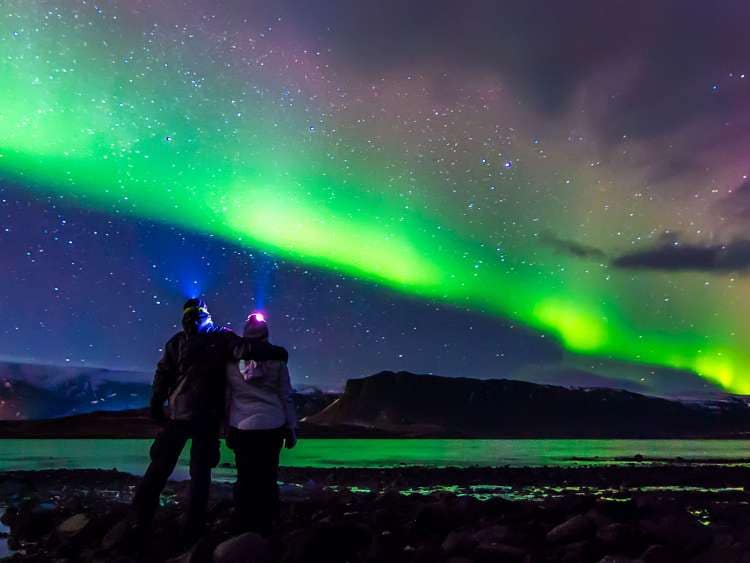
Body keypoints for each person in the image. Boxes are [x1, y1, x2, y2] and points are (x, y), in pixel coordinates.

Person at [131, 299, 288, 540]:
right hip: (207, 417)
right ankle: (193, 527)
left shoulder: (177, 340)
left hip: (178, 413)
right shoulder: (221, 336)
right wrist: (276, 352)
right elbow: (243, 350)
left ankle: (139, 520)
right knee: (200, 473)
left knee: (160, 467)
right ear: (206, 313)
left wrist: (156, 404)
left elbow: (163, 373)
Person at [225, 312, 297, 536]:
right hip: (272, 426)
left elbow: (227, 397)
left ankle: (242, 524)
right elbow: (286, 396)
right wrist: (291, 428)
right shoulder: (278, 362)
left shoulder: (230, 363)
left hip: (241, 427)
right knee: (268, 477)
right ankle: (266, 526)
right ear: (266, 335)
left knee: (244, 478)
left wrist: (225, 427)